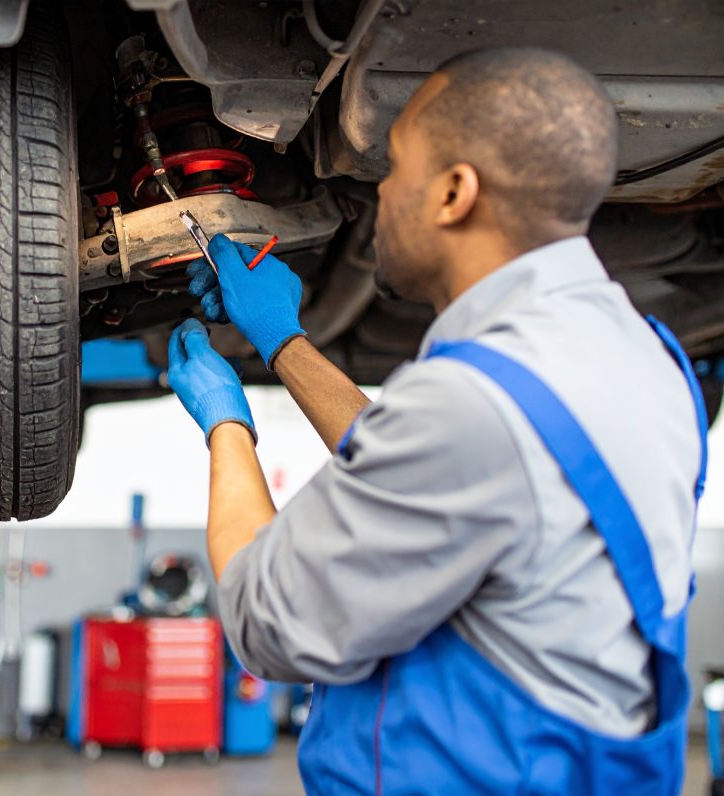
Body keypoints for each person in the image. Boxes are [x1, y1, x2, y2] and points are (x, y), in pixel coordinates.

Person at [166, 47, 708, 795]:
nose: (382, 196)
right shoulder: (645, 359)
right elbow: (435, 487)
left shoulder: (470, 407)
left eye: (395, 170)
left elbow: (266, 623)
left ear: (455, 192)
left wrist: (226, 425)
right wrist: (284, 343)